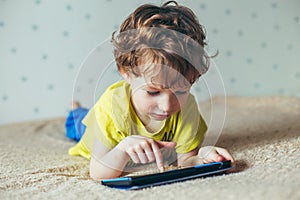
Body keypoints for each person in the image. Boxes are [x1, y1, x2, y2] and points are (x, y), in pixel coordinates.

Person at [65, 1, 235, 181]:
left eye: (180, 92)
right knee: (77, 126)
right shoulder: (111, 110)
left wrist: (202, 157)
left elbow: (185, 161)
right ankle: (75, 109)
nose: (167, 106)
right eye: (153, 92)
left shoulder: (187, 109)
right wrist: (122, 149)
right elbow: (98, 173)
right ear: (126, 73)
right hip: (96, 132)